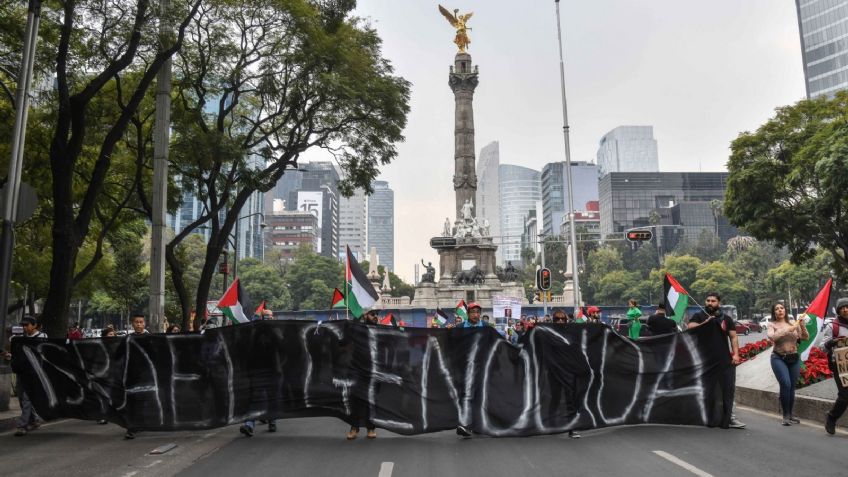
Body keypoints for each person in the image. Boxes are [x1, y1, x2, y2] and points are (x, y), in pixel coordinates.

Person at [688, 292, 745, 429]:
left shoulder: (726, 318)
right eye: (707, 300)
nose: (709, 303)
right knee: (708, 389)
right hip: (704, 360)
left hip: (724, 360)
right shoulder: (699, 316)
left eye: (713, 301)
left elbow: (733, 337)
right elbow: (690, 328)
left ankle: (730, 418)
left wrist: (736, 354)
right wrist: (705, 323)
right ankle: (708, 417)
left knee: (728, 389)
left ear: (718, 303)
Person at [3, 316, 47, 436]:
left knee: (27, 399)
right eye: (23, 325)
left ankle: (22, 425)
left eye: (27, 325)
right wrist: (9, 355)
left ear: (34, 325)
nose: (24, 327)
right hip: (22, 372)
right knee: (22, 398)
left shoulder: (42, 337)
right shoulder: (20, 339)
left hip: (35, 373)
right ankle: (34, 420)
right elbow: (19, 356)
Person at [767, 302, 808, 426]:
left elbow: (805, 337)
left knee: (791, 386)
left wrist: (801, 325)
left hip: (794, 358)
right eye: (777, 309)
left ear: (785, 310)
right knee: (785, 383)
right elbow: (772, 337)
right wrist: (787, 330)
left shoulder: (793, 323)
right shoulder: (771, 325)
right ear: (774, 312)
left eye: (782, 308)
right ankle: (785, 415)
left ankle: (790, 414)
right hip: (778, 358)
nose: (780, 310)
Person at [823, 297, 848, 435]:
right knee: (845, 396)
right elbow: (822, 347)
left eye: (847, 307)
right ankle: (832, 417)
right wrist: (832, 342)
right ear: (838, 310)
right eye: (842, 308)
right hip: (840, 365)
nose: (845, 309)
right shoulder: (833, 326)